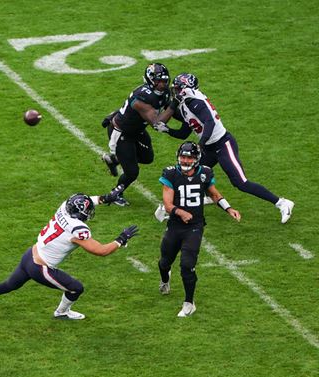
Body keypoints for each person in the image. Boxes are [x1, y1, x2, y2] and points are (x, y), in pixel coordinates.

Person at [0, 194, 138, 322]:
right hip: (40, 268)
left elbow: (86, 200)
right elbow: (100, 250)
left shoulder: (64, 208)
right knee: (76, 288)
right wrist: (121, 240)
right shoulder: (78, 229)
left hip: (30, 254)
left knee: (7, 286)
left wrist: (105, 198)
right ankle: (62, 312)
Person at [155, 72, 294, 223]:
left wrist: (199, 146)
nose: (174, 92)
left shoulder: (196, 102)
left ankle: (282, 203)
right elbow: (184, 132)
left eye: (177, 89)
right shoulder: (185, 104)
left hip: (222, 144)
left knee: (240, 182)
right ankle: (185, 204)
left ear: (185, 89)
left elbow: (210, 123)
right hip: (209, 146)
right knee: (188, 174)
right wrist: (168, 130)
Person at [157, 142, 241, 317]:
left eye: (189, 157)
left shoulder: (205, 173)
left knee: (187, 265)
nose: (185, 160)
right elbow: (167, 204)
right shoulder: (171, 174)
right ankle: (165, 279)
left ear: (196, 159)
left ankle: (189, 303)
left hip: (194, 227)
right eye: (183, 156)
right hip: (175, 224)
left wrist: (229, 208)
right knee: (164, 262)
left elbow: (214, 194)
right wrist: (180, 212)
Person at [99, 62, 172, 206]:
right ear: (150, 80)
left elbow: (168, 109)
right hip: (122, 133)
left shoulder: (164, 92)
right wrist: (174, 105)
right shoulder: (142, 98)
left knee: (147, 157)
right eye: (159, 81)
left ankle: (114, 160)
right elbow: (157, 123)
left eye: (164, 80)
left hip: (137, 130)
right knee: (132, 172)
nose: (162, 84)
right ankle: (116, 194)